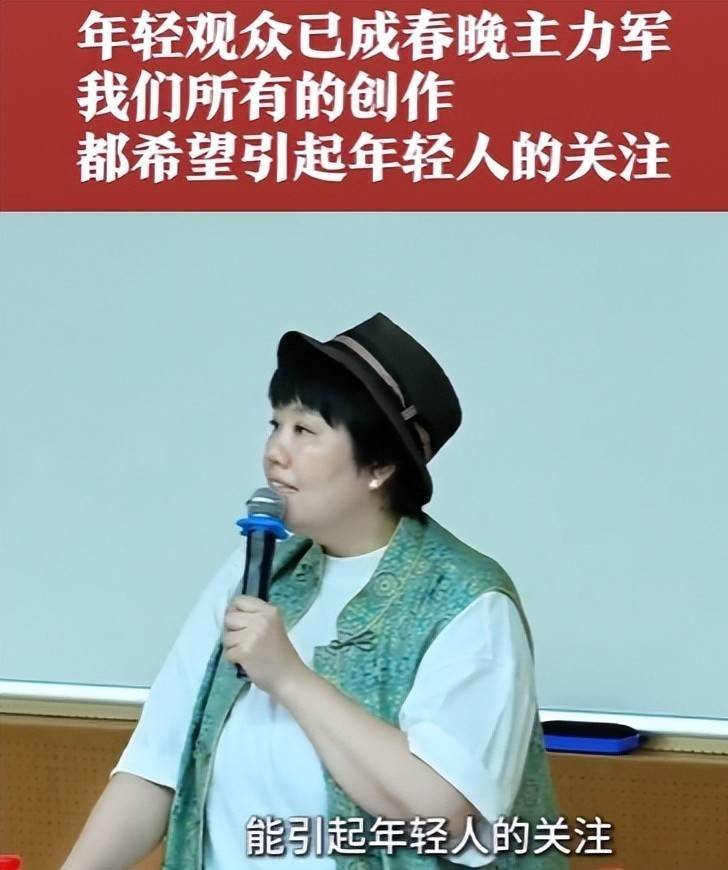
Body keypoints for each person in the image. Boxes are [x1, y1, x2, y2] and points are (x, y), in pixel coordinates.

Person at [62, 313, 566, 869]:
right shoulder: (256, 570)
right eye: (275, 425)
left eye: (305, 431)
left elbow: (449, 820)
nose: (275, 452)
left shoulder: (467, 601)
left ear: (379, 465)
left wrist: (290, 678)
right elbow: (154, 770)